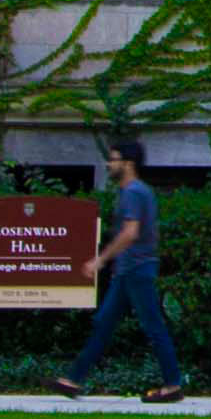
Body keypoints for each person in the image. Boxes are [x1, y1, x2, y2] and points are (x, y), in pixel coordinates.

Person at [51, 135, 187, 403]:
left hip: (137, 270)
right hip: (128, 271)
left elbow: (130, 233)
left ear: (128, 163)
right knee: (103, 324)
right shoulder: (132, 192)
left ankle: (173, 385)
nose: (108, 164)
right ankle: (72, 380)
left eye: (113, 160)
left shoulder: (135, 192)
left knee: (153, 326)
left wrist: (100, 260)